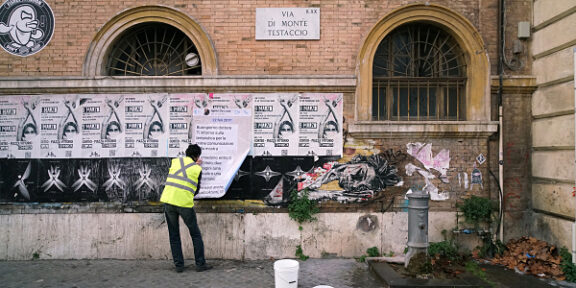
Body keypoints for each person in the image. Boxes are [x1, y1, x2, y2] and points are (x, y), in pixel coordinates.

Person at [159, 144, 212, 273]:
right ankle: (200, 264)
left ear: (186, 153)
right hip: (184, 204)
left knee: (174, 235)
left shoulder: (175, 161)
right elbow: (196, 190)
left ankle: (179, 266)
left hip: (168, 201)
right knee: (195, 234)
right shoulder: (197, 169)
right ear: (197, 156)